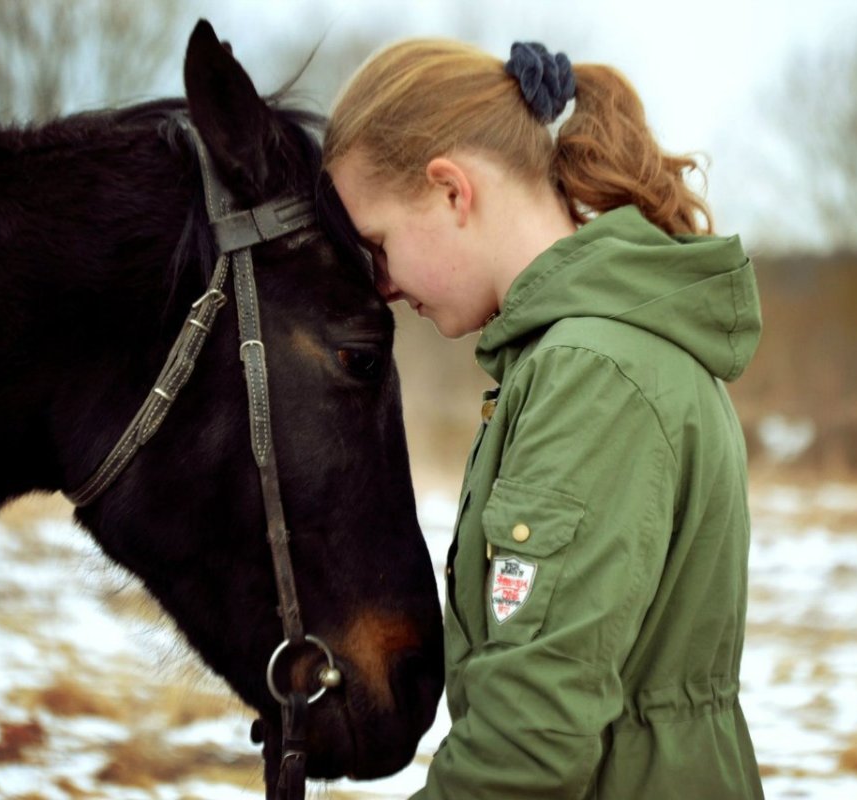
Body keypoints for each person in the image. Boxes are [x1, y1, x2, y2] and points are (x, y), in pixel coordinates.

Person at [324, 38, 765, 800]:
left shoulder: (593, 376)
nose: (383, 287)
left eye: (378, 247)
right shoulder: (585, 354)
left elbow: (530, 741)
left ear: (451, 191)